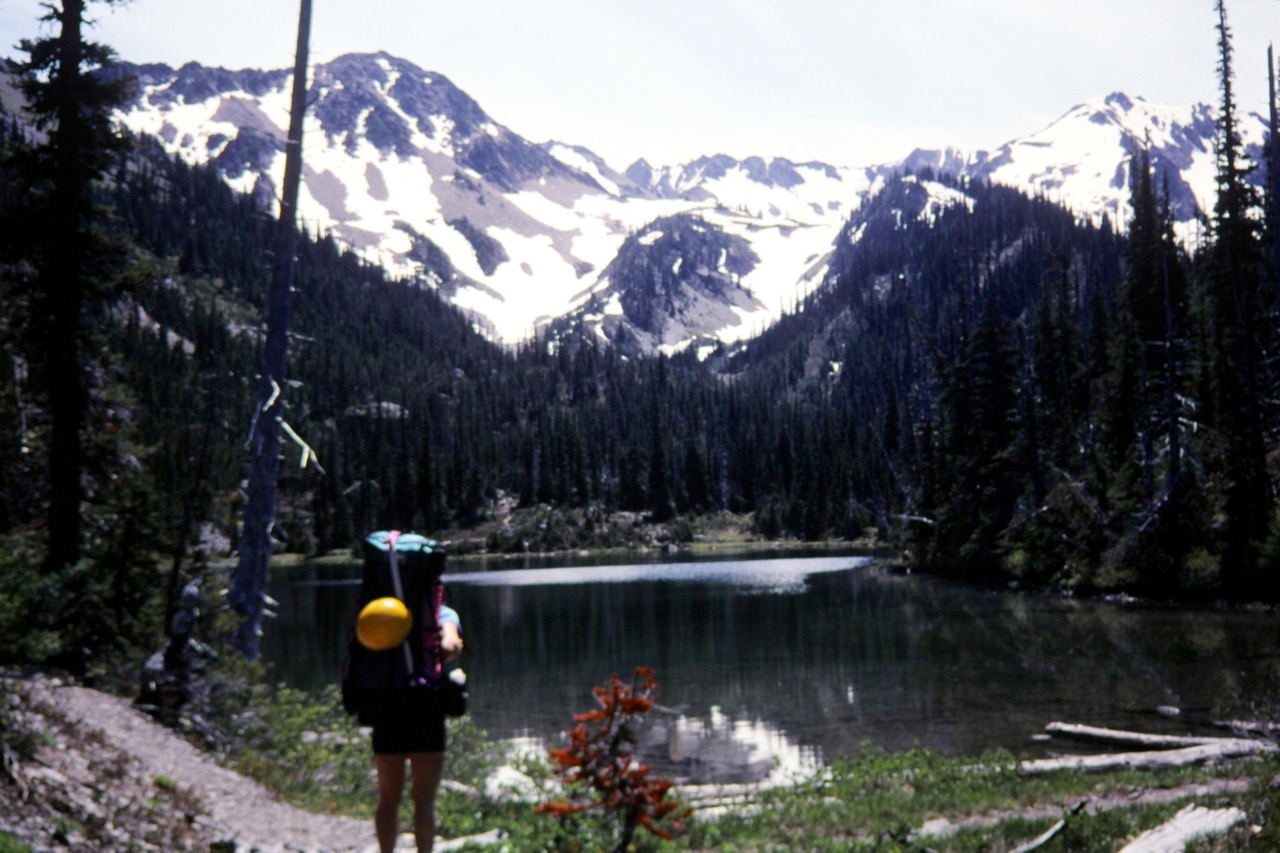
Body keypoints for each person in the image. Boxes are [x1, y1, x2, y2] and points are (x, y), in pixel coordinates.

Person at [370, 603, 464, 853]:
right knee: (424, 800)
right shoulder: (441, 613)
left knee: (388, 798)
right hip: (426, 708)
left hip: (387, 707)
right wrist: (449, 648)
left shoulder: (379, 609)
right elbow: (449, 646)